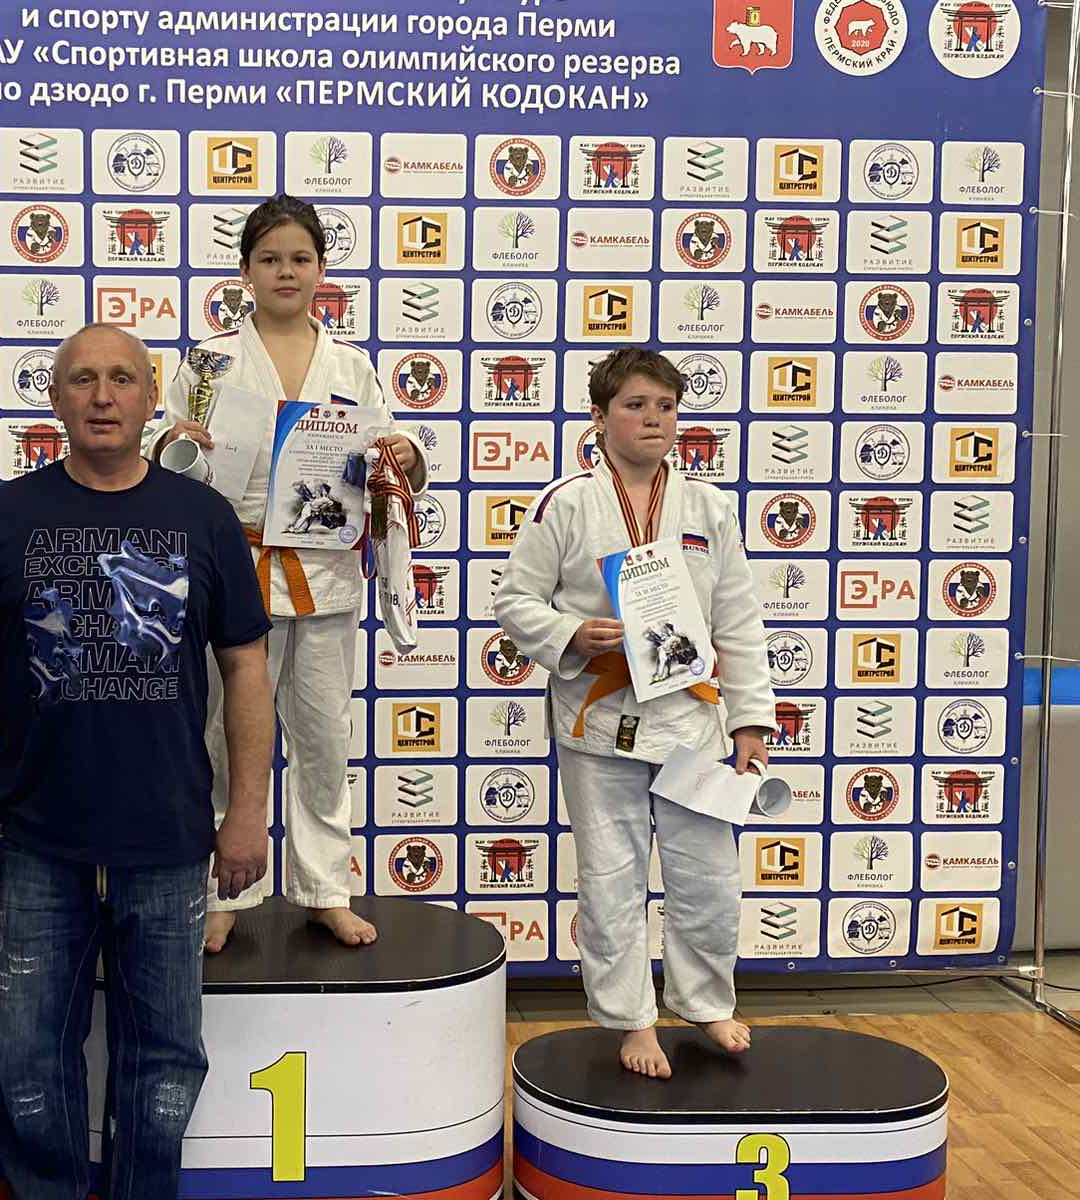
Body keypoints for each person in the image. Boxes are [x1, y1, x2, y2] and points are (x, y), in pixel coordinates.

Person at [0, 323, 274, 1198]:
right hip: (34, 840)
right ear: (54, 399)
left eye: (123, 378)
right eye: (82, 379)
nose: (103, 396)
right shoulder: (3, 516)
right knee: (32, 1061)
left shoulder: (203, 518)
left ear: (153, 397)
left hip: (169, 836)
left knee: (165, 1060)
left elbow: (246, 668)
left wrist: (245, 813)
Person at [147, 194, 428, 952]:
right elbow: (160, 453)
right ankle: (223, 891)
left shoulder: (352, 365)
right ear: (245, 271)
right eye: (269, 258)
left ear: (321, 270)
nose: (285, 271)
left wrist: (403, 457)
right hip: (235, 567)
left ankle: (325, 888)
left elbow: (389, 459)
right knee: (222, 736)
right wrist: (173, 440)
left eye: (300, 258)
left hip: (325, 570)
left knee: (325, 736)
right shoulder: (209, 361)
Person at [493, 347, 775, 1080]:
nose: (654, 420)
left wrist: (750, 720)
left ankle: (705, 1001)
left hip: (689, 722)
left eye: (666, 407)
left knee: (707, 877)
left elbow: (739, 620)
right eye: (635, 405)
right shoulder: (566, 502)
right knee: (612, 879)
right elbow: (515, 600)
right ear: (599, 417)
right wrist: (569, 634)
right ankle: (630, 1018)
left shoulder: (708, 507)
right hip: (600, 720)